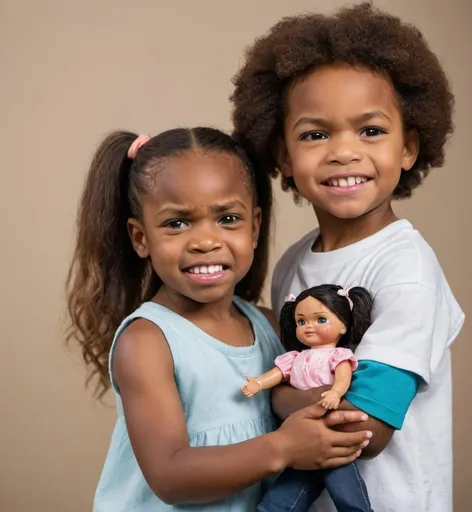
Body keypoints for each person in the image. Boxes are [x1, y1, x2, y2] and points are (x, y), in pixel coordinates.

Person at [231, 4, 465, 511]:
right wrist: (312, 397)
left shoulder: (407, 272)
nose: (344, 152)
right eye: (316, 134)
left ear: (408, 147)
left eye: (371, 131)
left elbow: (364, 428)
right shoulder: (292, 263)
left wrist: (276, 395)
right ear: (283, 157)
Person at [66, 127, 371, 511]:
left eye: (227, 218)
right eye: (177, 223)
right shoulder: (146, 342)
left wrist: (322, 404)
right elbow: (170, 475)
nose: (206, 241)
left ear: (255, 226)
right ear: (140, 238)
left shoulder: (269, 324)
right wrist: (284, 447)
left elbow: (284, 395)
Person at [243, 284, 374, 512]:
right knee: (286, 492)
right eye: (301, 322)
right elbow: (278, 374)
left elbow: (343, 378)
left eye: (320, 320)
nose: (309, 327)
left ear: (343, 325)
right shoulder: (294, 357)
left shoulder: (338, 355)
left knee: (345, 489)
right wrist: (258, 383)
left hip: (331, 435)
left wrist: (335, 392)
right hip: (298, 437)